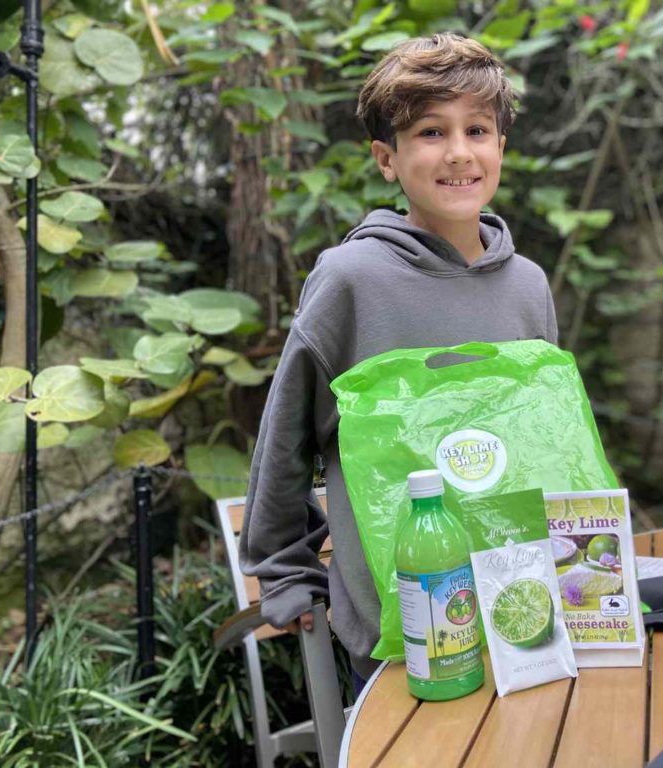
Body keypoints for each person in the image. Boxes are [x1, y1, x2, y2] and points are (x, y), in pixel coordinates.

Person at [238, 32, 558, 689]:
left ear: (501, 146)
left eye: (477, 130)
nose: (459, 152)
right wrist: (286, 570)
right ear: (387, 158)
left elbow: (546, 438)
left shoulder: (529, 285)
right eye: (431, 132)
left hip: (527, 608)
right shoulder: (350, 279)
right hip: (400, 627)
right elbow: (286, 437)